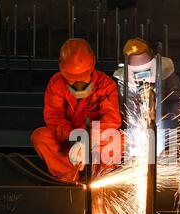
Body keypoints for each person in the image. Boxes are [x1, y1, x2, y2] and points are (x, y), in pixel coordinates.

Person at [31, 38, 122, 182]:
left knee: (117, 139)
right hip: (69, 142)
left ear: (92, 64)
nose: (79, 85)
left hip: (96, 143)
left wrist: (88, 140)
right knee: (40, 136)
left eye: (83, 78)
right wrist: (73, 137)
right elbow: (54, 116)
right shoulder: (56, 84)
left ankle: (103, 179)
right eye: (73, 80)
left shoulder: (106, 85)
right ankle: (69, 177)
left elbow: (112, 119)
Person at [113, 37, 180, 155]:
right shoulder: (124, 82)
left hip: (166, 122)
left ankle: (166, 153)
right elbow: (129, 113)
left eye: (146, 71)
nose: (143, 79)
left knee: (165, 130)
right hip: (139, 129)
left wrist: (165, 115)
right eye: (137, 74)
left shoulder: (165, 73)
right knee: (134, 133)